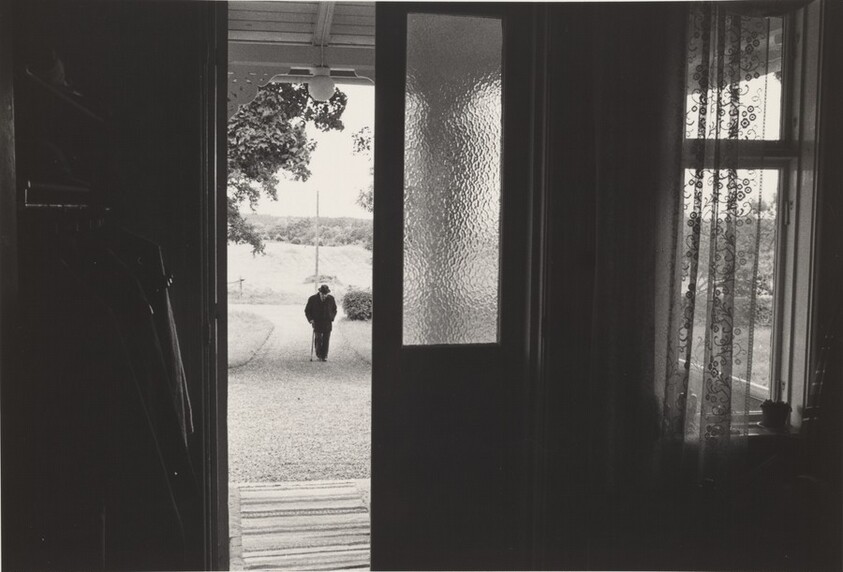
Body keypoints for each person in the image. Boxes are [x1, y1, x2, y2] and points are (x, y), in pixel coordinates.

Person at [305, 284, 337, 362]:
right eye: (323, 294)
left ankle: (324, 355)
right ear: (320, 292)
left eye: (326, 294)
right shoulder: (312, 299)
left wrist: (331, 317)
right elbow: (307, 310)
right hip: (317, 322)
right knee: (318, 339)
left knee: (326, 339)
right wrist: (311, 319)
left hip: (327, 322)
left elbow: (334, 310)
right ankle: (319, 354)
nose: (325, 296)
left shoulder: (331, 298)